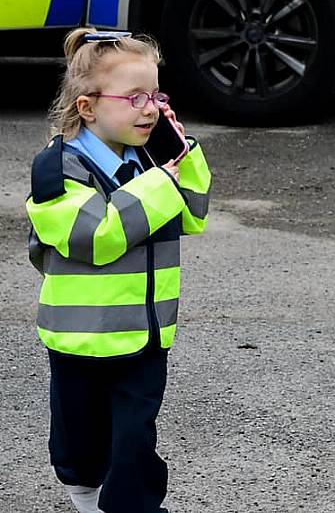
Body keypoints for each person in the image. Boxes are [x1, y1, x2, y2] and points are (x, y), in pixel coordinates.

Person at [25, 27, 211, 513]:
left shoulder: (151, 162)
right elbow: (96, 237)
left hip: (145, 336)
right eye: (134, 98)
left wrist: (181, 153)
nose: (150, 108)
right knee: (80, 447)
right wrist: (157, 183)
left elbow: (193, 214)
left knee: (134, 445)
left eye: (155, 95)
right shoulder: (57, 170)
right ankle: (87, 498)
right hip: (81, 338)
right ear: (88, 107)